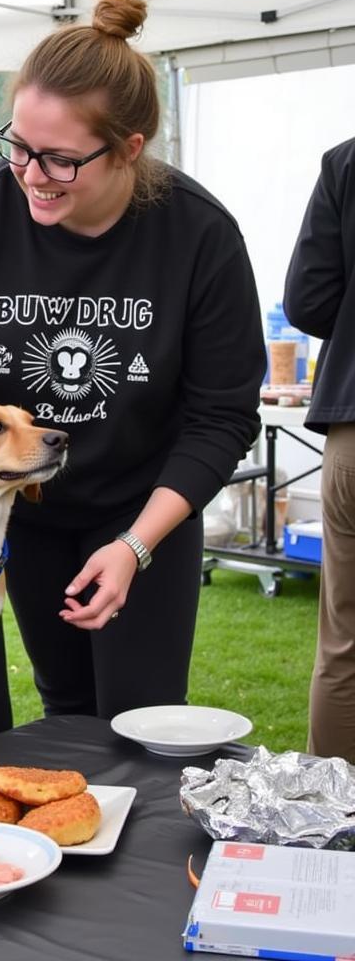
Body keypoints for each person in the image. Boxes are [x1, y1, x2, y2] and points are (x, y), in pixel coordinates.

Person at [0, 0, 265, 741]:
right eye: (18, 145)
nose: (31, 174)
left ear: (129, 150)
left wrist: (136, 545)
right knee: (54, 713)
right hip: (5, 499)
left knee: (141, 725)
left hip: (143, 504)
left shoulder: (198, 235)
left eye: (60, 160)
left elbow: (222, 414)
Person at [283, 136, 355, 764]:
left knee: (344, 647)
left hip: (353, 426)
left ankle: (333, 829)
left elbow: (308, 301)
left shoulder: (346, 159)